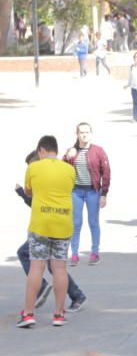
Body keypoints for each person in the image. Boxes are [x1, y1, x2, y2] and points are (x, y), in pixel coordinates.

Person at [18, 136, 75, 328]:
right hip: (63, 223)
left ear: (41, 150)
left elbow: (28, 191)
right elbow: (69, 188)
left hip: (41, 225)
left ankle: (28, 314)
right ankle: (58, 314)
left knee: (36, 267)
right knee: (59, 268)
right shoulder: (69, 169)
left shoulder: (33, 167)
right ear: (55, 150)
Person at [62, 123, 109, 267]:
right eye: (81, 132)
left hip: (93, 191)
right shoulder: (72, 151)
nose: (84, 135)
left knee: (93, 222)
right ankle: (74, 254)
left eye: (87, 132)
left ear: (91, 133)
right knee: (75, 223)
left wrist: (104, 194)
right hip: (76, 191)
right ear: (76, 134)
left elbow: (106, 172)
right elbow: (61, 169)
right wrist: (66, 157)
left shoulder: (98, 151)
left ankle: (94, 252)